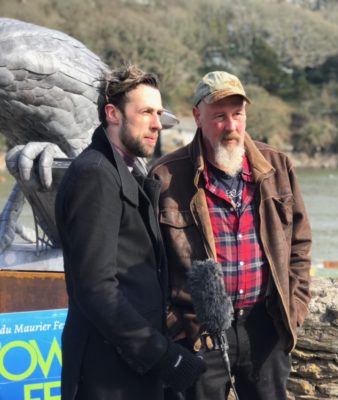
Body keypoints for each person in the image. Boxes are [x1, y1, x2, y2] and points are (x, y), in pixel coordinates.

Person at [150, 71, 312, 400]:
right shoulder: (165, 176)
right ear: (197, 116)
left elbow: (300, 244)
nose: (232, 127)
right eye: (220, 116)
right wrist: (173, 326)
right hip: (197, 333)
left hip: (265, 327)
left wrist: (294, 310)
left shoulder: (277, 167)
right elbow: (148, 263)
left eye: (238, 115)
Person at [55, 64, 205, 400]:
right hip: (105, 376)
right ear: (113, 114)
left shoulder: (119, 171)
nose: (157, 124)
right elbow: (96, 289)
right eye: (146, 112)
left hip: (128, 369)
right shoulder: (94, 175)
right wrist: (163, 357)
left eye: (159, 113)